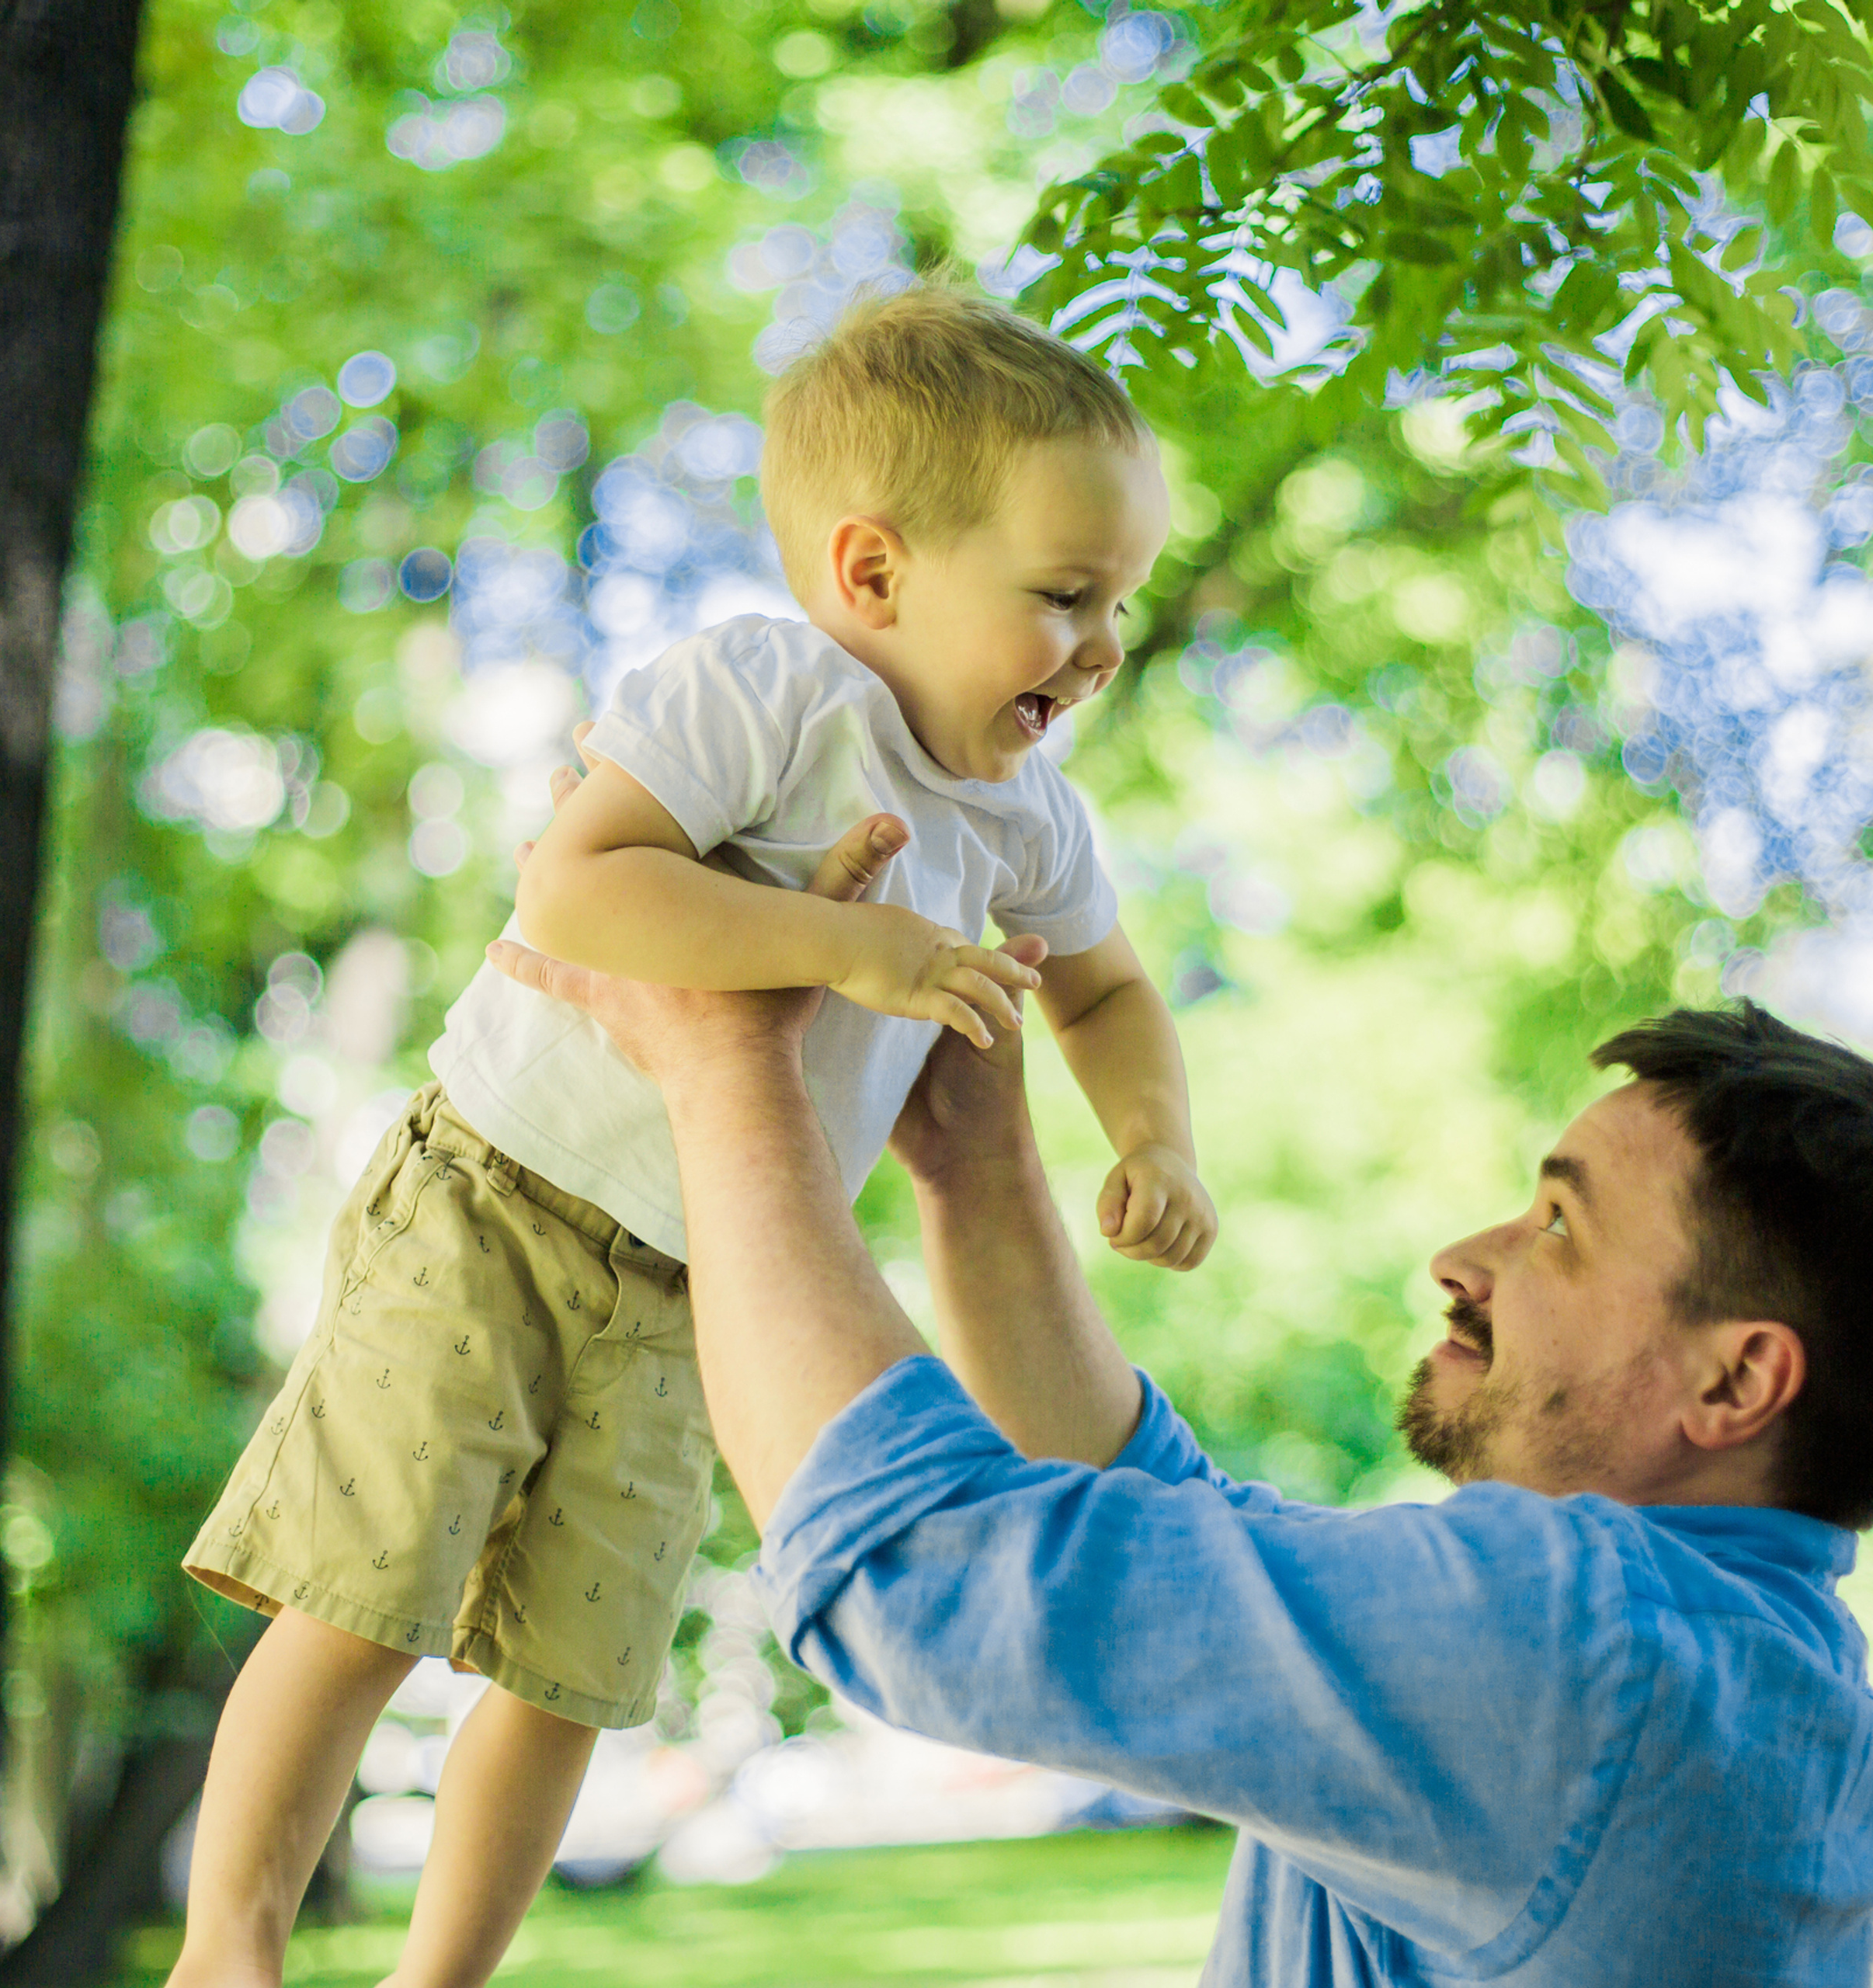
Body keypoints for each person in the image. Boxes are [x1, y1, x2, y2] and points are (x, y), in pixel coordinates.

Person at [167, 284, 1215, 1988]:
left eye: (1118, 601)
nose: (1099, 645)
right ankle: (231, 1947)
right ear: (872, 573)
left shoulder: (1029, 818)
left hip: (698, 1288)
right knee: (363, 1584)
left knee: (573, 1666)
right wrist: (840, 944)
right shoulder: (770, 690)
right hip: (502, 1193)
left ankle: (437, 1976)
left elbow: (1103, 997)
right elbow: (577, 881)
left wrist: (1154, 1138)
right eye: (1061, 596)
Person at [488, 880, 1873, 1983]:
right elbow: (1166, 1527)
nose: (1463, 1256)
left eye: (1560, 1227)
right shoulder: (1765, 1676)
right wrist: (973, 1162)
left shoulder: (1591, 1654)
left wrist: (723, 1062)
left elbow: (918, 1571)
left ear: (1737, 1385)